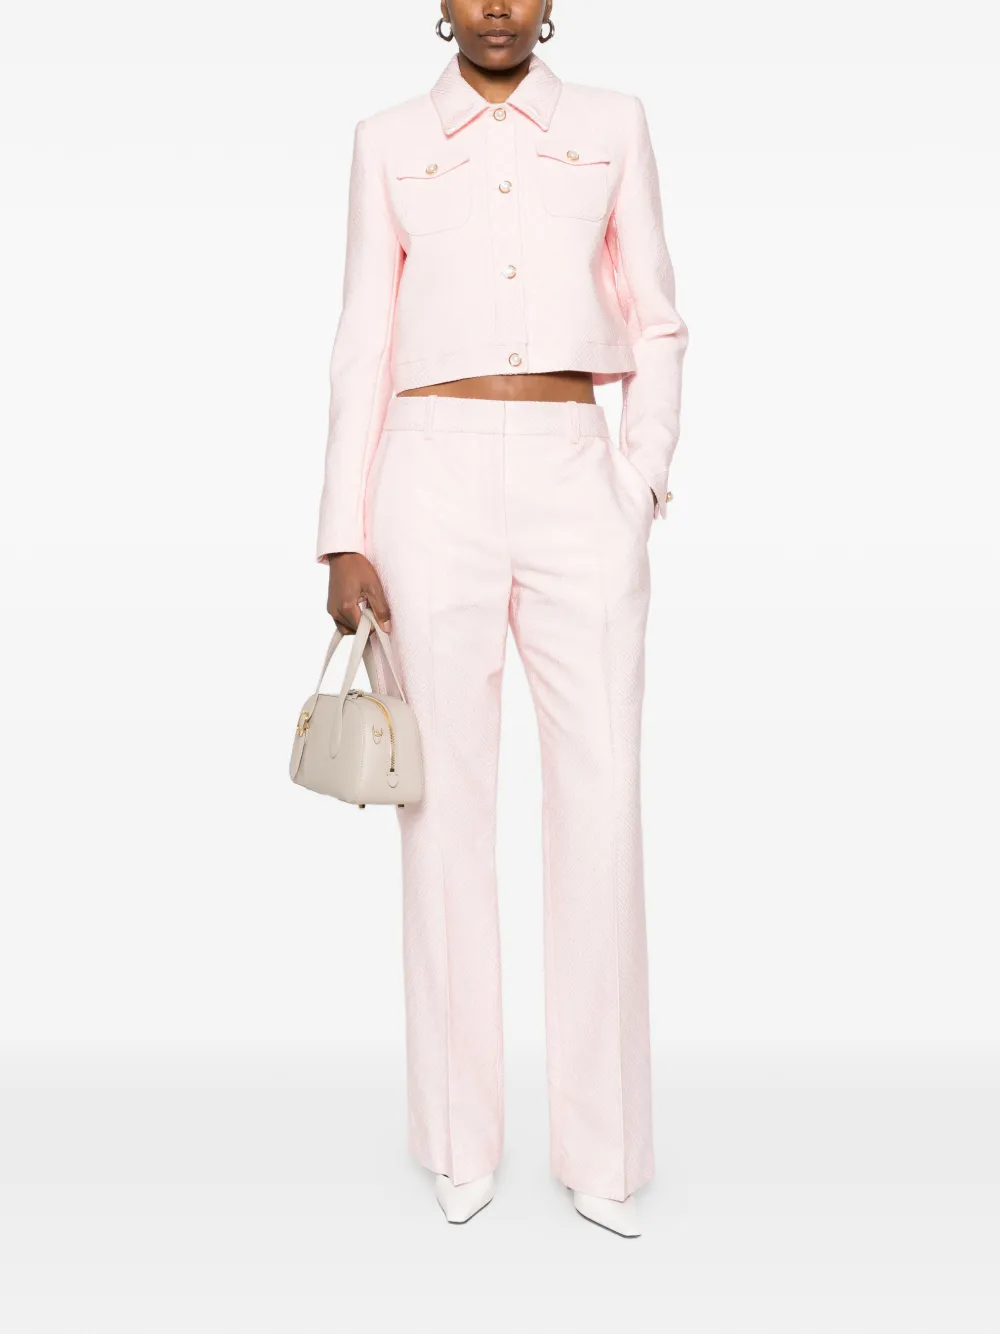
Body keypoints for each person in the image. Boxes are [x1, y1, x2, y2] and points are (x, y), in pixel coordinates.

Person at [315, 0, 687, 1237]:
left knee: (602, 802)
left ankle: (606, 1150)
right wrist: (344, 529)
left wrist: (638, 479)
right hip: (427, 481)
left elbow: (657, 318)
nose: (494, 8)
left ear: (548, 4)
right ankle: (456, 1137)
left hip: (579, 474)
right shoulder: (385, 140)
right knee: (441, 814)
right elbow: (363, 338)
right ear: (439, 5)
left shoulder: (613, 123)